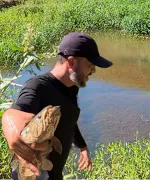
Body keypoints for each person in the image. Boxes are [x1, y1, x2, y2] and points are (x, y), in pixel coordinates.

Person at [1, 32, 113, 179]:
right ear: (72, 62)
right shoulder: (37, 87)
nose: (93, 70)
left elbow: (68, 117)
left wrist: (82, 146)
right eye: (90, 65)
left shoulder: (72, 86)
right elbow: (15, 113)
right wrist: (9, 120)